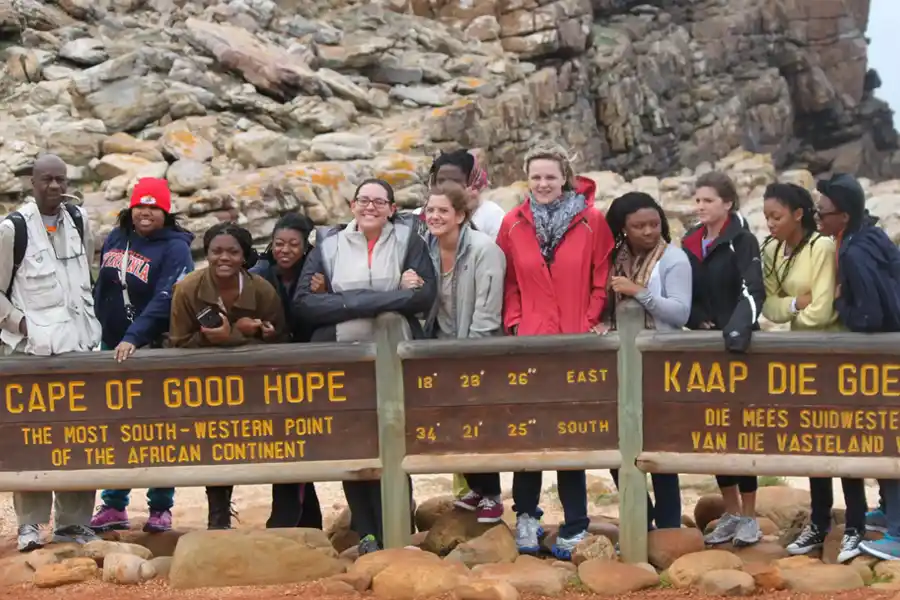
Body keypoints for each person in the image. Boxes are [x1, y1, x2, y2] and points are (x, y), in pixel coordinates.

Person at [294, 178, 436, 554]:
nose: (370, 207)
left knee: (393, 439)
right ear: (352, 205)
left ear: (392, 208)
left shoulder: (410, 241)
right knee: (353, 442)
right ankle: (368, 533)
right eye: (363, 200)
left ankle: (399, 530)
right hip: (344, 360)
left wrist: (344, 300)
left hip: (396, 359)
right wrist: (387, 299)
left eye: (379, 201)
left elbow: (423, 295)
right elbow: (306, 303)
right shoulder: (329, 244)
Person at [496, 143, 614, 560]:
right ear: (526, 180)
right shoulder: (512, 223)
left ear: (565, 177)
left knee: (571, 432)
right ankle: (526, 515)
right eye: (536, 177)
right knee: (529, 431)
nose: (543, 184)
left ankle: (576, 522)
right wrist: (514, 322)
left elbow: (603, 274)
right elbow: (507, 279)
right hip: (529, 341)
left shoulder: (592, 220)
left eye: (550, 176)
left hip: (575, 342)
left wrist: (591, 318)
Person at [0, 154, 102, 551]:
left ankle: (74, 524)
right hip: (30, 354)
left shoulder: (78, 221)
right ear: (32, 182)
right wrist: (23, 326)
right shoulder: (13, 230)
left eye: (61, 179)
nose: (55, 187)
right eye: (47, 180)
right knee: (31, 440)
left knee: (80, 436)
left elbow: (86, 276)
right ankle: (30, 525)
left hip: (78, 347)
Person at [758, 182, 864, 562]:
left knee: (844, 439)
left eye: (777, 216)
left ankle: (855, 526)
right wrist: (793, 305)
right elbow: (767, 307)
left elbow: (822, 311)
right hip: (801, 356)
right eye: (766, 216)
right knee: (812, 439)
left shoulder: (820, 247)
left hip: (834, 354)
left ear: (797, 215)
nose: (769, 223)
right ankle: (819, 524)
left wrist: (794, 307)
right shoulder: (770, 250)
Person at [88, 178, 194, 534]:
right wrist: (97, 330)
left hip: (154, 348)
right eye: (140, 206)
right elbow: (102, 287)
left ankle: (160, 507)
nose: (146, 212)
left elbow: (166, 299)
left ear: (165, 211)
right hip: (113, 346)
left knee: (158, 427)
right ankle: (114, 504)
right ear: (131, 209)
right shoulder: (118, 238)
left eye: (154, 207)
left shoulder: (176, 248)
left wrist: (134, 337)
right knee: (116, 427)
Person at [168, 223, 287, 529]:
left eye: (233, 252)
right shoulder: (188, 290)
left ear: (244, 256)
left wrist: (261, 332)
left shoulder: (262, 290)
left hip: (254, 384)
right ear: (206, 254)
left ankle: (284, 517)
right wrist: (226, 335)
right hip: (203, 383)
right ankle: (218, 516)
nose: (224, 258)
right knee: (214, 443)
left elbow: (283, 342)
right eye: (216, 251)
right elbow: (178, 343)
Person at [811, 173, 900, 561]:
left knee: (886, 441)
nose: (817, 218)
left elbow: (868, 315)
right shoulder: (870, 234)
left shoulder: (853, 252)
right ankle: (889, 512)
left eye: (822, 212)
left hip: (884, 355)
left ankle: (897, 533)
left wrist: (838, 301)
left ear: (842, 216)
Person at [682, 171, 765, 547]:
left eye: (708, 201)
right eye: (698, 200)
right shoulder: (689, 242)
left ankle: (750, 517)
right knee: (713, 432)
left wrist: (734, 332)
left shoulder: (743, 241)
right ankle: (730, 513)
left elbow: (753, 290)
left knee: (741, 432)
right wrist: (696, 319)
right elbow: (687, 290)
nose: (701, 207)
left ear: (727, 204)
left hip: (740, 348)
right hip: (703, 350)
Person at [604, 192, 691, 530]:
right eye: (638, 226)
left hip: (660, 361)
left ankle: (669, 526)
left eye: (654, 224)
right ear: (623, 228)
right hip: (621, 361)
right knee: (615, 442)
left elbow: (680, 311)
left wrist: (638, 291)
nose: (648, 231)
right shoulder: (615, 258)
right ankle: (642, 515)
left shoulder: (674, 259)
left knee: (658, 445)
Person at [421, 182, 506, 523]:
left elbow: (488, 306)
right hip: (438, 346)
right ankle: (475, 486)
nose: (435, 217)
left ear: (460, 215)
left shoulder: (484, 249)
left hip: (475, 348)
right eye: (430, 210)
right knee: (451, 421)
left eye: (443, 211)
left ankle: (493, 494)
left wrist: (470, 350)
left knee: (478, 420)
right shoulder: (424, 248)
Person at [250, 213, 323, 529]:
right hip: (271, 371)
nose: (285, 250)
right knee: (284, 444)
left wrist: (323, 294)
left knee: (303, 444)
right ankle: (300, 520)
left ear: (306, 246)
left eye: (293, 244)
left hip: (311, 369)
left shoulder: (319, 273)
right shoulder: (260, 273)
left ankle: (292, 520)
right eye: (279, 243)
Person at [414, 149, 505, 240]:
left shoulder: (492, 215)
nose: (447, 187)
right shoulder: (418, 216)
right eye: (441, 181)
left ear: (472, 182)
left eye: (454, 181)